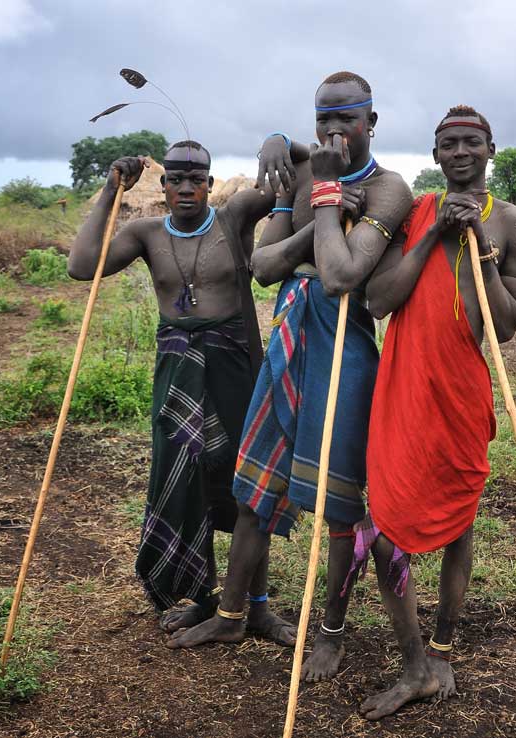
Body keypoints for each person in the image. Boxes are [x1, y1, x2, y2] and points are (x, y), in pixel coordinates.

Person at [164, 72, 414, 685]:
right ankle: (231, 613)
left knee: (339, 503)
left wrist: (325, 196)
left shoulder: (389, 188)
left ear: (371, 122)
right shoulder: (304, 176)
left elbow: (341, 277)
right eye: (322, 121)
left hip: (344, 351)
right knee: (255, 489)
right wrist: (316, 203)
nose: (333, 131)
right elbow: (265, 266)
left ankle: (330, 633)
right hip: (288, 343)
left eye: (346, 120)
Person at [68, 140, 294, 642]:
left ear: (211, 185)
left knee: (247, 486)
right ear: (163, 185)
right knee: (185, 483)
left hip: (236, 366)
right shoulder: (144, 233)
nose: (186, 188)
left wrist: (279, 143)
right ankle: (210, 601)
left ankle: (254, 606)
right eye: (176, 179)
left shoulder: (233, 218)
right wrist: (111, 189)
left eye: (197, 180)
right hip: (177, 374)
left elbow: (293, 177)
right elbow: (82, 266)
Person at [349, 105, 516, 719]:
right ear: (434, 156)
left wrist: (479, 247)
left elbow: (506, 327)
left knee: (459, 523)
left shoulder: (511, 223)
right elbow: (378, 301)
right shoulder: (413, 213)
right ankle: (412, 665)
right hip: (403, 385)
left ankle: (444, 644)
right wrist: (432, 236)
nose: (460, 152)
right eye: (448, 144)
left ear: (490, 149)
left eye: (471, 142)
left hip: (461, 391)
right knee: (383, 534)